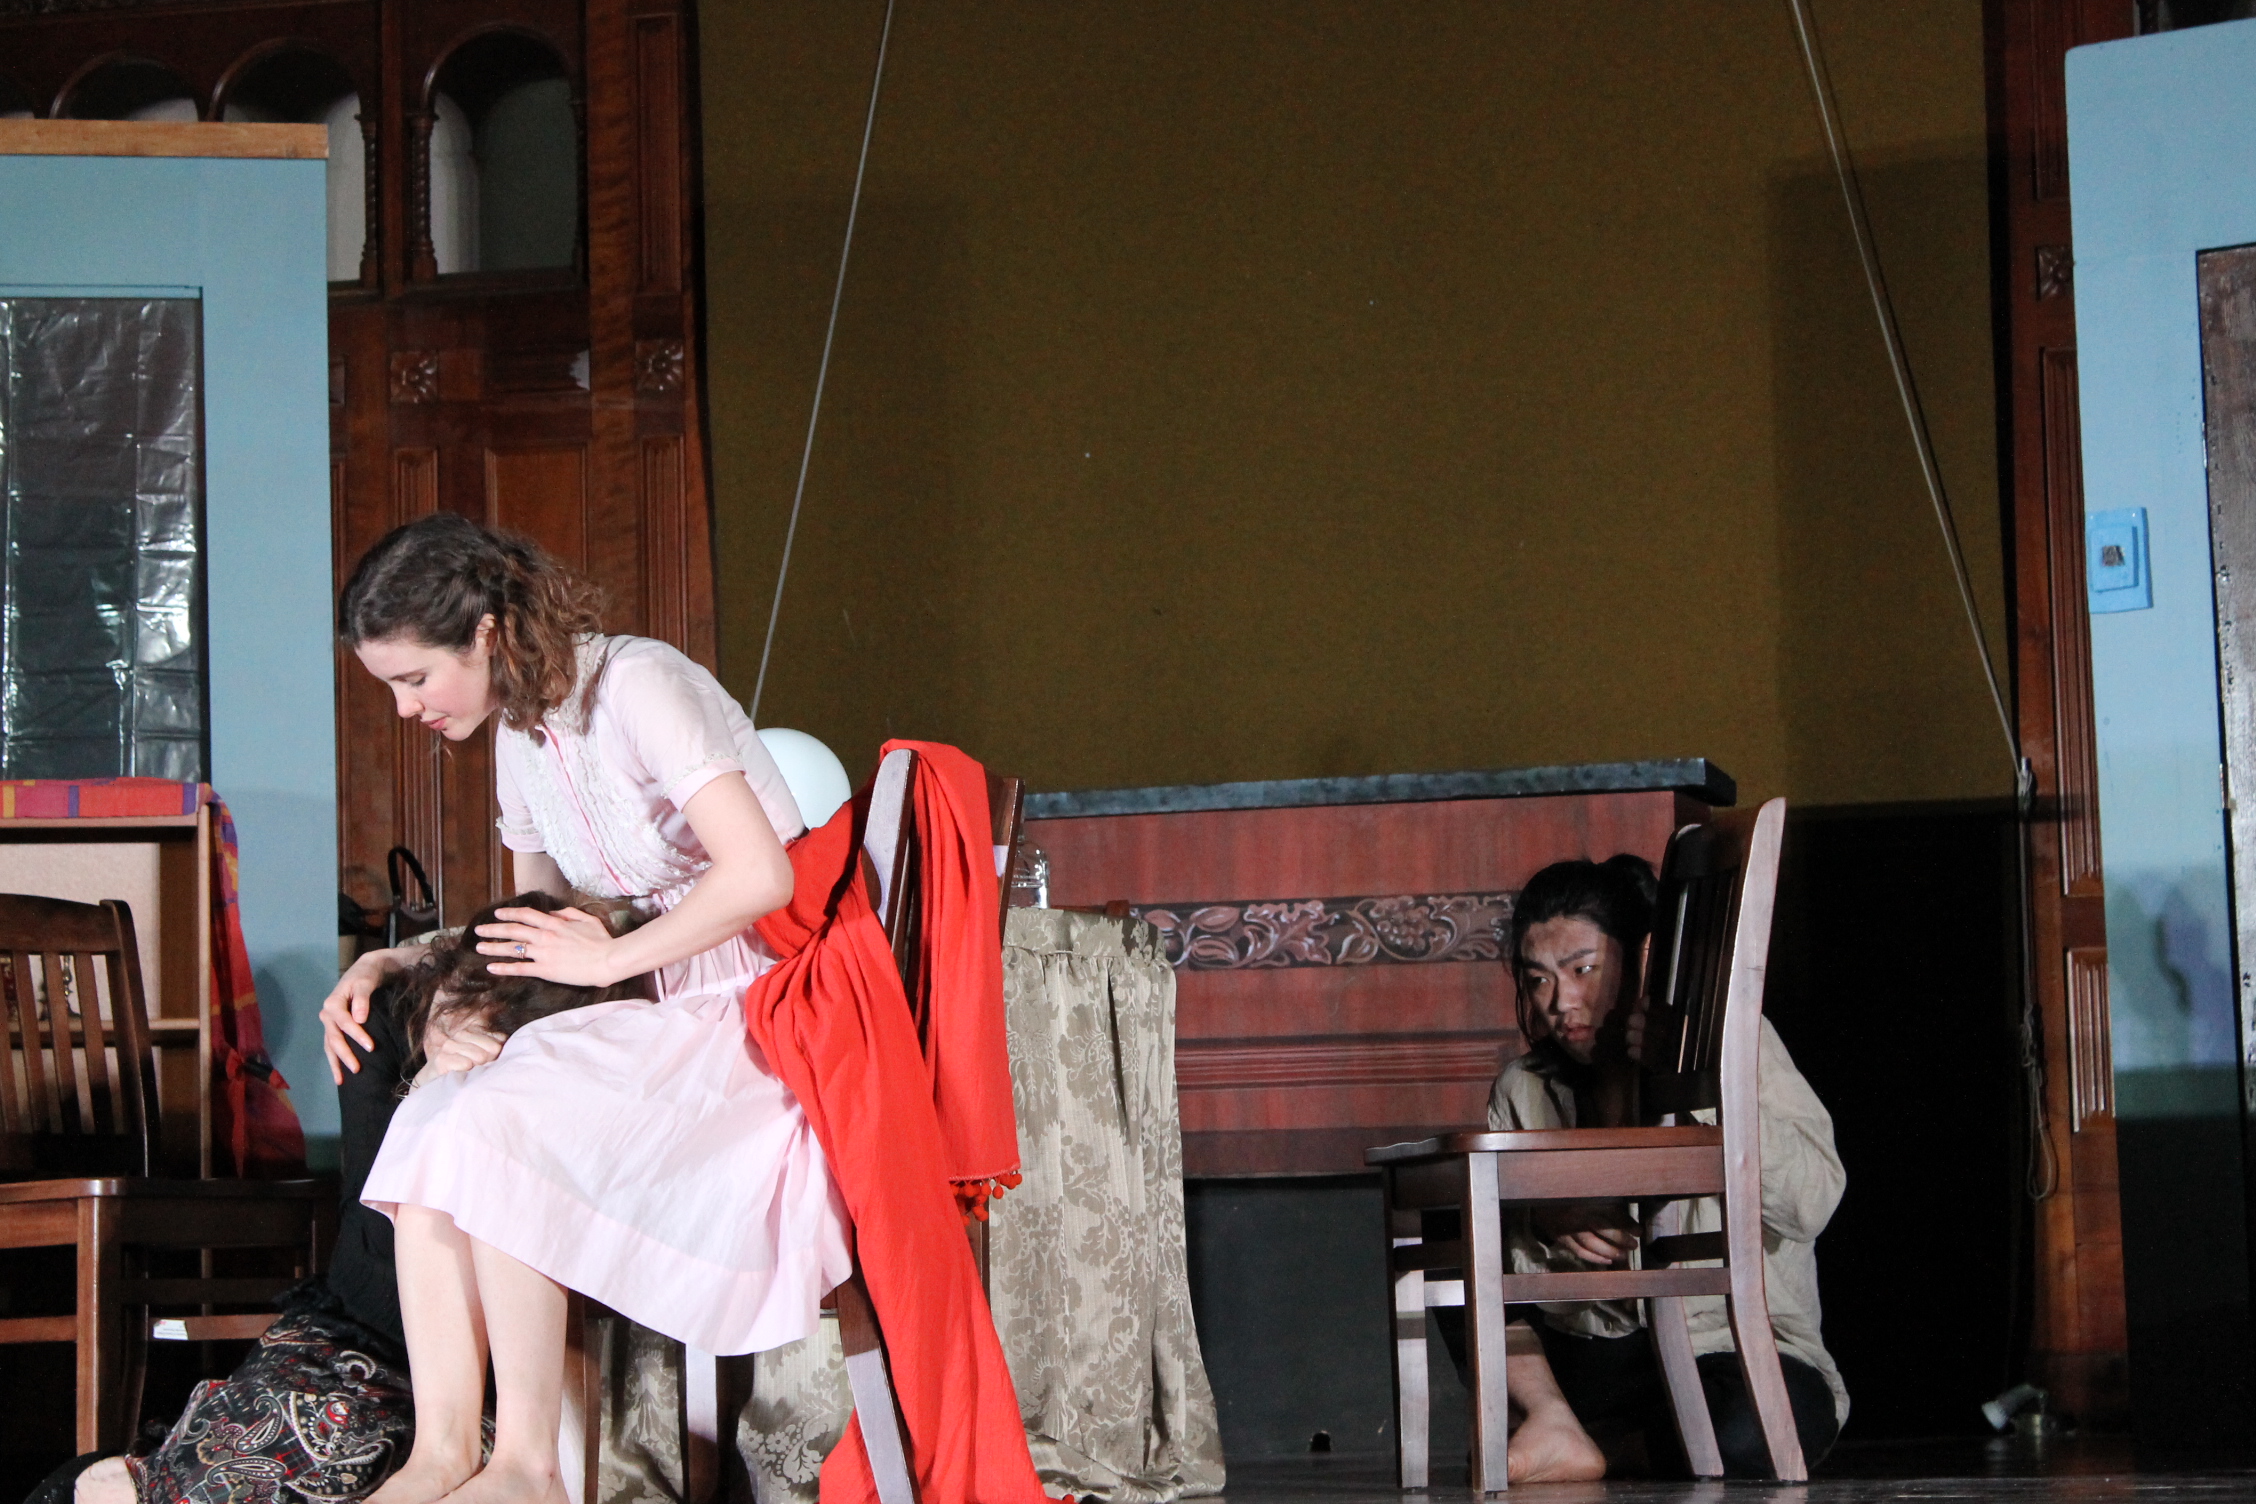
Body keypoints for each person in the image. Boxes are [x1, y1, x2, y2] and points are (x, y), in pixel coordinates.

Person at [319, 513, 853, 1504]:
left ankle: (527, 1467)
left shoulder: (640, 684)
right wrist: (406, 966)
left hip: (753, 1013)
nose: (405, 708)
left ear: (485, 632)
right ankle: (444, 1450)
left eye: (415, 678)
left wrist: (609, 957)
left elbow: (761, 875)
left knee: (499, 1115)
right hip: (644, 1012)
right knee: (435, 1109)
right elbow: (534, 926)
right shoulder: (521, 733)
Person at [1464, 854, 1847, 1481]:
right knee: (1450, 1239)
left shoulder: (1735, 1044)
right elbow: (1501, 1265)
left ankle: (1605, 1450)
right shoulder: (1524, 1089)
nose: (1561, 1002)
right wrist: (1547, 1218)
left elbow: (1813, 1204)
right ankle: (1554, 1417)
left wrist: (1705, 1081)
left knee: (1754, 1430)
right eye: (1538, 980)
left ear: (1639, 958)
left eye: (1582, 970)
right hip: (1597, 1358)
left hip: (1726, 1351)